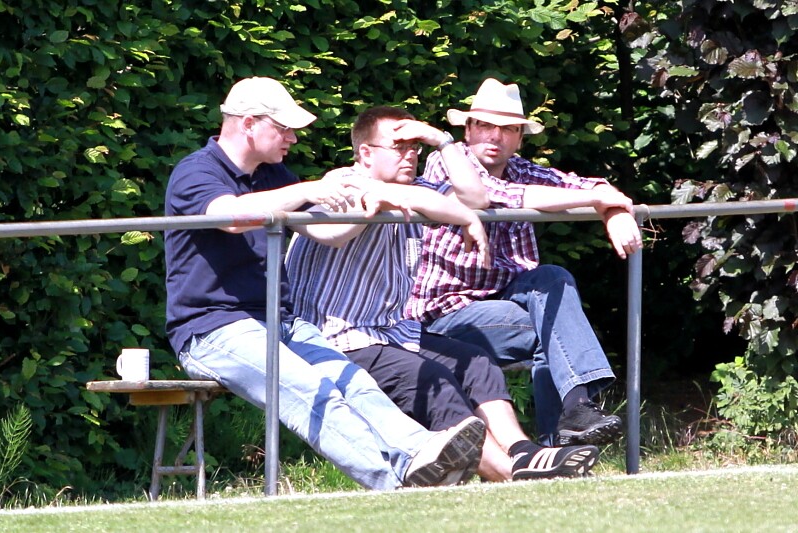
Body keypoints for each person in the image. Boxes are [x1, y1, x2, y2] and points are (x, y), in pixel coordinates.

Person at [164, 76, 487, 492]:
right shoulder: (196, 170)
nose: (294, 138)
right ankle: (395, 487)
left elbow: (328, 233)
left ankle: (421, 453)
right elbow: (231, 217)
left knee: (356, 383)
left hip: (279, 321)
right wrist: (309, 189)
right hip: (211, 328)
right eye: (284, 128)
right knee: (312, 390)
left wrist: (373, 206)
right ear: (248, 124)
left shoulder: (272, 173)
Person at [286, 105, 600, 483]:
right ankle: (510, 473)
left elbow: (474, 197)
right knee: (433, 380)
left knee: (476, 363)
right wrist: (459, 216)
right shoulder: (341, 184)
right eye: (398, 147)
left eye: (414, 147)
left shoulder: (415, 190)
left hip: (391, 332)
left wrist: (442, 142)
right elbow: (337, 231)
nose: (410, 155)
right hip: (334, 338)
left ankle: (525, 451)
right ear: (365, 153)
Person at [406, 78, 644, 446]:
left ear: (520, 138)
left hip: (505, 300)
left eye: (508, 129)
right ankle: (560, 440)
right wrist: (598, 203)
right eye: (485, 125)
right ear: (468, 130)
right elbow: (491, 196)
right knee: (556, 333)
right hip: (444, 315)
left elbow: (585, 185)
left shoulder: (520, 169)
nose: (495, 136)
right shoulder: (446, 162)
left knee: (552, 278)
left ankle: (574, 415)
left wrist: (614, 211)